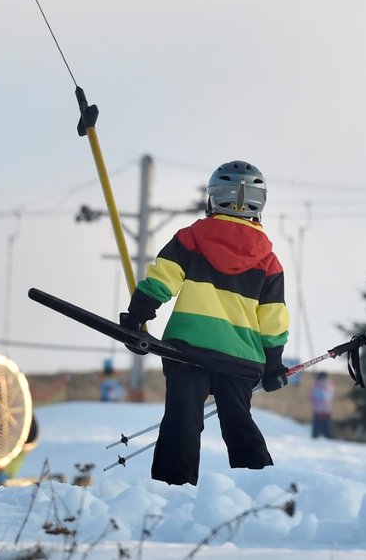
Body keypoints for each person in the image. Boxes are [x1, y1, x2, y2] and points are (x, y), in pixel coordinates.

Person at [120, 160, 290, 486]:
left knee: (182, 420)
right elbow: (273, 318)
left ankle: (174, 487)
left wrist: (137, 315)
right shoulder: (269, 261)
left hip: (188, 351)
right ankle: (260, 489)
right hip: (240, 359)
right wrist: (273, 364)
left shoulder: (191, 238)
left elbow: (162, 280)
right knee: (239, 422)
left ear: (213, 198)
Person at [310, 372, 335, 439]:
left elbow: (327, 397)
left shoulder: (328, 386)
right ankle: (316, 438)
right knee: (316, 427)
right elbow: (312, 396)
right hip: (318, 410)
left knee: (326, 427)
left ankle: (328, 439)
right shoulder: (316, 385)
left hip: (325, 410)